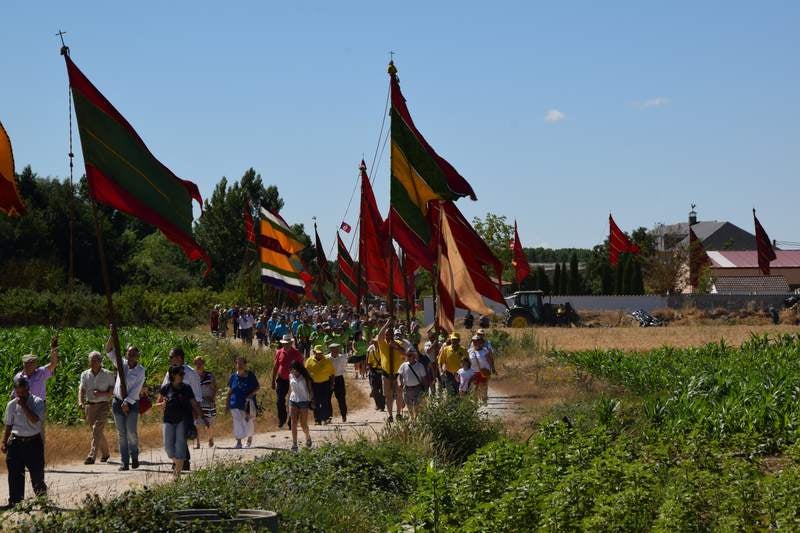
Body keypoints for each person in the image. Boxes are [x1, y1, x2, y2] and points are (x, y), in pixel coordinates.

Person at [2, 377, 47, 507]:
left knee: (37, 474)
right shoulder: (11, 405)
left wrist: (24, 406)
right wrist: (4, 441)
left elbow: (35, 420)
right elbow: (9, 425)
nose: (20, 395)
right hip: (16, 442)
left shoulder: (37, 402)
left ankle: (42, 500)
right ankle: (15, 501)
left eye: (23, 392)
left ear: (28, 389)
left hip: (33, 442)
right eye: (18, 392)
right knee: (15, 474)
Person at [106, 331, 146, 471]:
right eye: (129, 354)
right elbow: (109, 350)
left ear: (138, 356)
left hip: (132, 404)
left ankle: (134, 456)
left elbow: (136, 389)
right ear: (126, 354)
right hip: (117, 402)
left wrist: (127, 402)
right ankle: (124, 462)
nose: (131, 357)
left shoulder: (141, 371)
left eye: (134, 354)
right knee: (121, 434)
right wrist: (112, 335)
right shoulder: (121, 364)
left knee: (131, 432)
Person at [156, 366, 201, 479]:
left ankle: (177, 474)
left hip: (183, 420)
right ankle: (177, 464)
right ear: (173, 375)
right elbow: (158, 403)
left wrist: (202, 416)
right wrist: (162, 405)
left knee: (180, 446)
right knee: (168, 447)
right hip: (168, 420)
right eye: (180, 374)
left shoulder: (187, 388)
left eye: (183, 374)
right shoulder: (166, 388)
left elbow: (194, 403)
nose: (182, 376)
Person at [162, 348, 202, 469]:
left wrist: (196, 412)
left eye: (171, 357)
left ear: (179, 357)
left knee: (180, 437)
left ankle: (183, 462)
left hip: (186, 411)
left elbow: (197, 394)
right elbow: (164, 388)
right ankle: (181, 461)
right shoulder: (170, 372)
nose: (169, 359)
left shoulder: (190, 373)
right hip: (171, 410)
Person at [77, 351, 115, 464]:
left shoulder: (108, 374)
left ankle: (92, 455)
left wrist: (101, 394)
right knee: (97, 432)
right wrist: (80, 401)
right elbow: (81, 389)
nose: (92, 363)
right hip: (89, 406)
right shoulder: (85, 374)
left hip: (103, 405)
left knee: (96, 429)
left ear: (100, 361)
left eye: (95, 360)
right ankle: (106, 453)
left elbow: (112, 392)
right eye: (91, 360)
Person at [13, 336, 59, 405]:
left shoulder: (41, 372)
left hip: (38, 405)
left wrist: (53, 349)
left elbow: (53, 364)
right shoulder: (18, 377)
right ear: (24, 365)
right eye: (27, 364)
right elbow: (14, 394)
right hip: (23, 405)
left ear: (35, 365)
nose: (29, 366)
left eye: (32, 364)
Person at [226, 356, 259, 449]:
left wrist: (251, 394)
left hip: (247, 404)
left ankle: (249, 440)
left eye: (241, 363)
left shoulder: (251, 375)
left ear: (245, 365)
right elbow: (230, 391)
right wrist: (227, 404)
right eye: (237, 363)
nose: (239, 365)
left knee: (248, 421)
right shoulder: (233, 376)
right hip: (235, 403)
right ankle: (239, 441)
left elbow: (257, 387)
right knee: (237, 422)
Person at [272, 334, 303, 429]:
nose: (286, 345)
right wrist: (273, 380)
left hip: (294, 379)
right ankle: (282, 419)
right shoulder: (279, 352)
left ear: (291, 343)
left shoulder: (296, 353)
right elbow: (276, 366)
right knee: (279, 400)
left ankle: (291, 422)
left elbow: (301, 367)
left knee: (293, 401)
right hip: (281, 379)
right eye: (285, 343)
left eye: (288, 343)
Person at [377, 319, 405, 422]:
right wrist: (386, 324)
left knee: (399, 395)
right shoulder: (382, 343)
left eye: (390, 334)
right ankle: (390, 416)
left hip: (397, 374)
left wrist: (396, 346)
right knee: (388, 396)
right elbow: (379, 336)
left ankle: (398, 414)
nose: (388, 336)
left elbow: (405, 353)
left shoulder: (398, 342)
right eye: (386, 334)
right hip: (386, 374)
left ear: (393, 335)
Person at [305, 345, 335, 425]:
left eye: (321, 353)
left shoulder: (327, 361)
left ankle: (325, 418)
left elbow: (332, 373)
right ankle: (317, 419)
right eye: (317, 353)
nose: (319, 354)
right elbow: (306, 374)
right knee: (315, 401)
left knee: (325, 401)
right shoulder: (309, 361)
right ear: (314, 352)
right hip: (314, 384)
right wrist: (307, 385)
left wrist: (332, 383)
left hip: (325, 383)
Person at [288, 361, 313, 451]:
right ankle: (294, 443)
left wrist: (312, 400)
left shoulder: (305, 377)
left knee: (303, 424)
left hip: (304, 401)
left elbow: (310, 390)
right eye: (291, 370)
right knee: (293, 423)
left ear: (298, 369)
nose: (292, 372)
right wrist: (288, 402)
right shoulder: (290, 376)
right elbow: (290, 389)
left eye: (293, 370)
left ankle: (308, 437)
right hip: (293, 400)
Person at [397, 348, 427, 419]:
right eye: (407, 355)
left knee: (416, 406)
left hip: (417, 389)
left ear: (414, 356)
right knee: (409, 405)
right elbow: (399, 375)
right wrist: (399, 382)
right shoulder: (404, 365)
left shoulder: (420, 366)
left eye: (410, 355)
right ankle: (412, 418)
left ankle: (416, 418)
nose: (409, 357)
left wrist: (425, 389)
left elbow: (424, 378)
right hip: (407, 389)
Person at [194, 356, 217, 448]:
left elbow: (215, 387)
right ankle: (198, 442)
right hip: (197, 401)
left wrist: (213, 397)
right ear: (194, 364)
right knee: (197, 423)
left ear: (203, 364)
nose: (199, 365)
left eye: (201, 363)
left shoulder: (209, 375)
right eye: (197, 363)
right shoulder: (193, 376)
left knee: (209, 422)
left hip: (208, 401)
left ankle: (210, 438)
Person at [468, 335, 496, 404]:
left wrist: (492, 368)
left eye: (477, 341)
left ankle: (484, 399)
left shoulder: (485, 350)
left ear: (480, 342)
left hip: (483, 371)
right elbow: (467, 361)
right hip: (474, 372)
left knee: (483, 386)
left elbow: (489, 360)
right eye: (474, 341)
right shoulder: (470, 351)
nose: (475, 343)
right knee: (475, 386)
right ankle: (475, 400)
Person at [328, 343, 348, 423]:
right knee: (327, 398)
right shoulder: (327, 358)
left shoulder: (342, 358)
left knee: (341, 398)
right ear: (331, 349)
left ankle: (343, 415)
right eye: (334, 349)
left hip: (339, 378)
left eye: (337, 349)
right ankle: (329, 416)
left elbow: (344, 367)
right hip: (329, 379)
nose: (336, 350)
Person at [365, 337, 385, 411]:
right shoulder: (371, 351)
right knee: (374, 389)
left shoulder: (383, 350)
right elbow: (369, 362)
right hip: (374, 371)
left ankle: (382, 406)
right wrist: (370, 371)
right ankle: (378, 404)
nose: (375, 343)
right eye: (374, 342)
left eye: (376, 342)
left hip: (382, 371)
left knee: (383, 390)